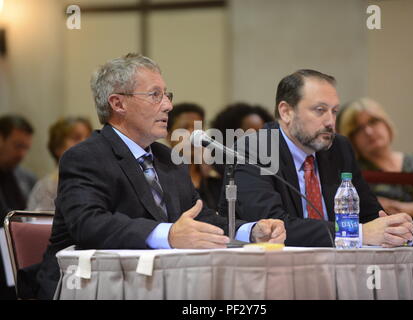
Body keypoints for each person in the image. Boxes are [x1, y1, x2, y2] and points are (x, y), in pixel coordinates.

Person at [36, 53, 285, 300]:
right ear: (118, 103)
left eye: (167, 95)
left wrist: (250, 231)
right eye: (155, 95)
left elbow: (200, 217)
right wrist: (168, 235)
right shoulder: (85, 156)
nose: (168, 105)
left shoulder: (168, 158)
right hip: (89, 284)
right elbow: (89, 224)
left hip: (157, 283)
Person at [221, 69, 413, 247]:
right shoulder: (255, 149)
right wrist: (357, 233)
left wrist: (394, 229)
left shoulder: (339, 147)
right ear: (286, 112)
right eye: (320, 110)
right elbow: (272, 227)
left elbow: (368, 214)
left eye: (334, 111)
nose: (331, 122)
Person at [337, 97, 413, 242]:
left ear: (386, 123)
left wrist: (403, 207)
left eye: (373, 121)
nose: (369, 132)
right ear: (350, 139)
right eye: (358, 129)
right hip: (398, 243)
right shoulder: (355, 176)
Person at [0, 114, 36, 300]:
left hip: (16, 257)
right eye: (17, 146)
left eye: (26, 148)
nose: (22, 154)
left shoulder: (26, 179)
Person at [27, 116, 93, 211]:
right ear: (58, 146)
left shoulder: (99, 180)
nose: (85, 143)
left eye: (88, 137)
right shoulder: (47, 187)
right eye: (76, 138)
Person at [167, 103, 222, 211]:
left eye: (198, 128)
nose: (193, 134)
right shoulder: (161, 174)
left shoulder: (216, 174)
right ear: (169, 135)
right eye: (185, 128)